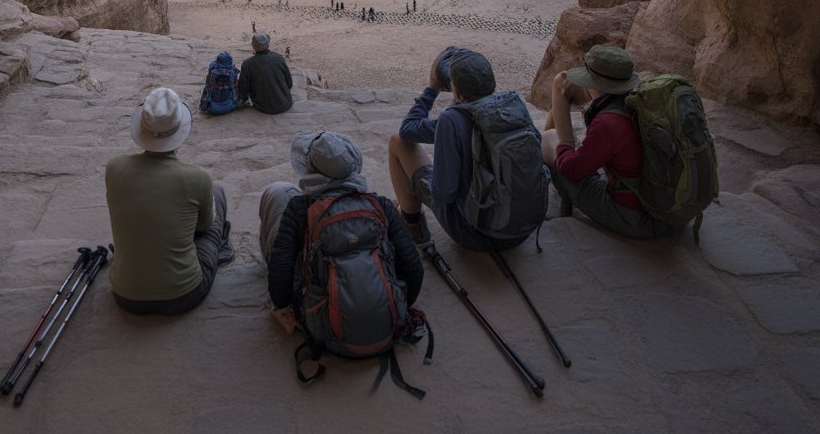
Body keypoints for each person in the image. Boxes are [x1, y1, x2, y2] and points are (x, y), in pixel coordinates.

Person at [259, 131, 423, 332]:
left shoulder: (299, 209)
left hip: (324, 325)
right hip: (386, 320)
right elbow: (412, 266)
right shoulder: (380, 205)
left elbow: (280, 268)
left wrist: (283, 304)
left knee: (277, 193)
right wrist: (399, 304)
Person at [388, 48, 544, 251]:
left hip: (475, 233)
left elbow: (442, 193)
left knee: (397, 141)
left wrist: (432, 87)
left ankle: (411, 222)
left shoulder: (451, 120)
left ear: (458, 93)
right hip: (522, 230)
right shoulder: (513, 104)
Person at [105, 87, 234, 315]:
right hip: (184, 293)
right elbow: (203, 227)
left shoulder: (114, 168)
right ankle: (218, 253)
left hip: (125, 296)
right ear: (180, 130)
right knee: (217, 195)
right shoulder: (197, 177)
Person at [541, 44, 670, 238]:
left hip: (633, 216)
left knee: (549, 139)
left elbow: (572, 170)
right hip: (666, 209)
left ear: (594, 84)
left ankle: (559, 196)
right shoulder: (639, 102)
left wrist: (565, 144)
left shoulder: (608, 123)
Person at [237, 32, 293, 114]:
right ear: (268, 44)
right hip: (285, 103)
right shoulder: (279, 57)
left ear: (253, 46)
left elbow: (243, 89)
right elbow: (289, 83)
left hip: (262, 106)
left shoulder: (247, 63)